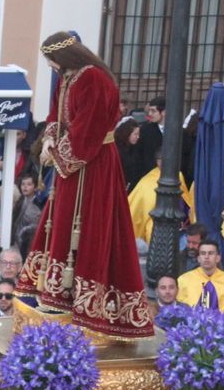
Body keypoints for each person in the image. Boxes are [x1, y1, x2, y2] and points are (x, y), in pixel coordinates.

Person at [19, 33, 154, 338]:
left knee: (87, 225)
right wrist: (50, 137)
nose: (50, 67)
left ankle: (86, 300)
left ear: (64, 56)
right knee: (62, 221)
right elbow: (56, 115)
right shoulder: (67, 77)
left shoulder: (93, 79)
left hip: (93, 164)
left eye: (50, 60)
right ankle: (61, 292)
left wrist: (58, 153)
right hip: (73, 167)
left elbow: (89, 128)